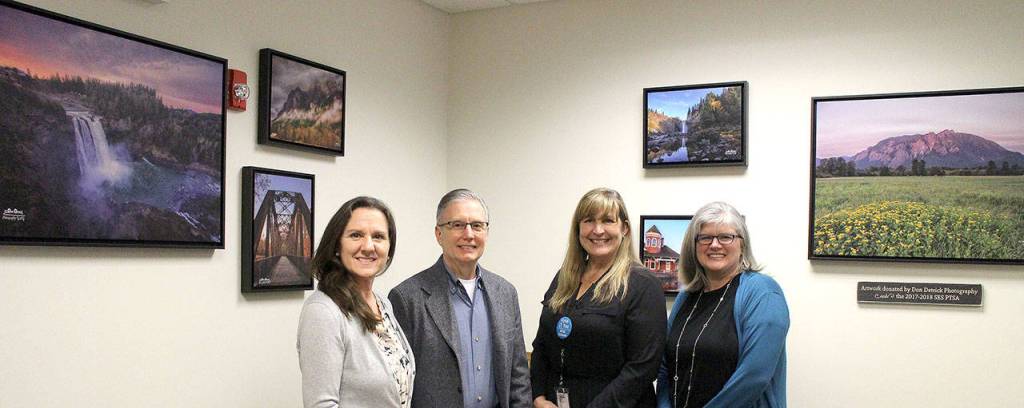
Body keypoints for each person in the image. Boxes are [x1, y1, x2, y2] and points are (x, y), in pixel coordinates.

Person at [389, 189, 532, 408]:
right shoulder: (407, 298)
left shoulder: (506, 293)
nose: (469, 234)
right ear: (438, 234)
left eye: (477, 225)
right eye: (457, 225)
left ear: (486, 231)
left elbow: (518, 375)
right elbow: (399, 382)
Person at [531, 188, 666, 408]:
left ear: (625, 229)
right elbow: (542, 345)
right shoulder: (564, 278)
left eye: (608, 220)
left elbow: (642, 368)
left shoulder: (642, 284)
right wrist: (538, 397)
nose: (598, 230)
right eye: (589, 220)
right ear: (578, 229)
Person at [655, 202, 789, 408]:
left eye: (726, 237)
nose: (715, 245)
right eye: (705, 237)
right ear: (694, 245)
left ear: (742, 244)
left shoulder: (764, 294)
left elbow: (754, 377)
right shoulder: (686, 296)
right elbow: (666, 367)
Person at [297, 196, 415, 408]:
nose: (368, 246)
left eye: (378, 237)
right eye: (356, 235)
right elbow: (321, 405)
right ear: (336, 245)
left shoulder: (383, 304)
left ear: (389, 249)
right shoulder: (323, 311)